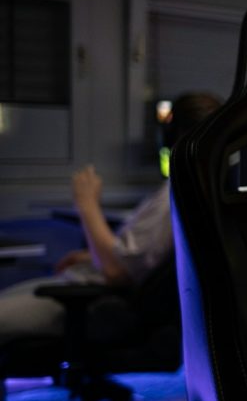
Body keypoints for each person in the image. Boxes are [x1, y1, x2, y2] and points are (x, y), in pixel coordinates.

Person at [0, 92, 222, 348]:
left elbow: (117, 271)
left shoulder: (174, 195)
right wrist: (88, 255)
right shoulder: (201, 190)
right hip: (88, 287)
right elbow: (140, 258)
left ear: (171, 136)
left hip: (95, 300)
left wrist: (87, 205)